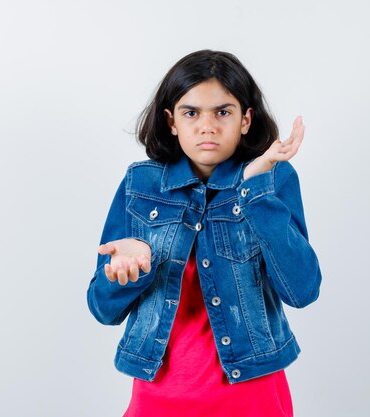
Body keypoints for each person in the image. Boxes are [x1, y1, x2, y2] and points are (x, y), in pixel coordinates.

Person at [86, 49, 322, 417]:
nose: (207, 126)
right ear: (171, 121)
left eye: (223, 112)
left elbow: (302, 290)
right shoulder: (140, 184)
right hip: (159, 395)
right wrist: (130, 271)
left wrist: (255, 188)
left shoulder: (273, 179)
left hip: (252, 394)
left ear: (246, 119)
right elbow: (102, 308)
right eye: (191, 112)